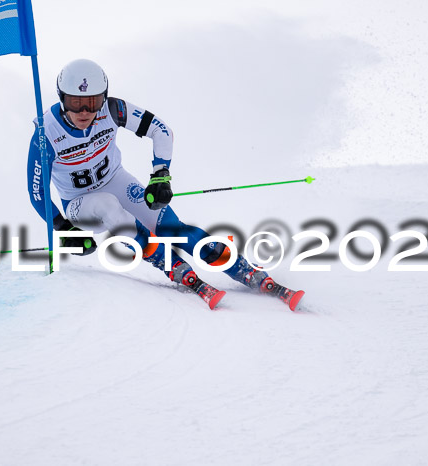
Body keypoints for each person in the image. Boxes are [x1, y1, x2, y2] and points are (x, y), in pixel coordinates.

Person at [27, 58, 303, 310]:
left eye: (94, 101)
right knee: (108, 206)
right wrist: (62, 226)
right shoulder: (46, 132)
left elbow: (161, 130)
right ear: (62, 99)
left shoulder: (112, 110)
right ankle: (171, 265)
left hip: (115, 180)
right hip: (79, 203)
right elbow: (36, 190)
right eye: (76, 103)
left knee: (173, 228)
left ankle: (244, 269)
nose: (86, 111)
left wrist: (161, 174)